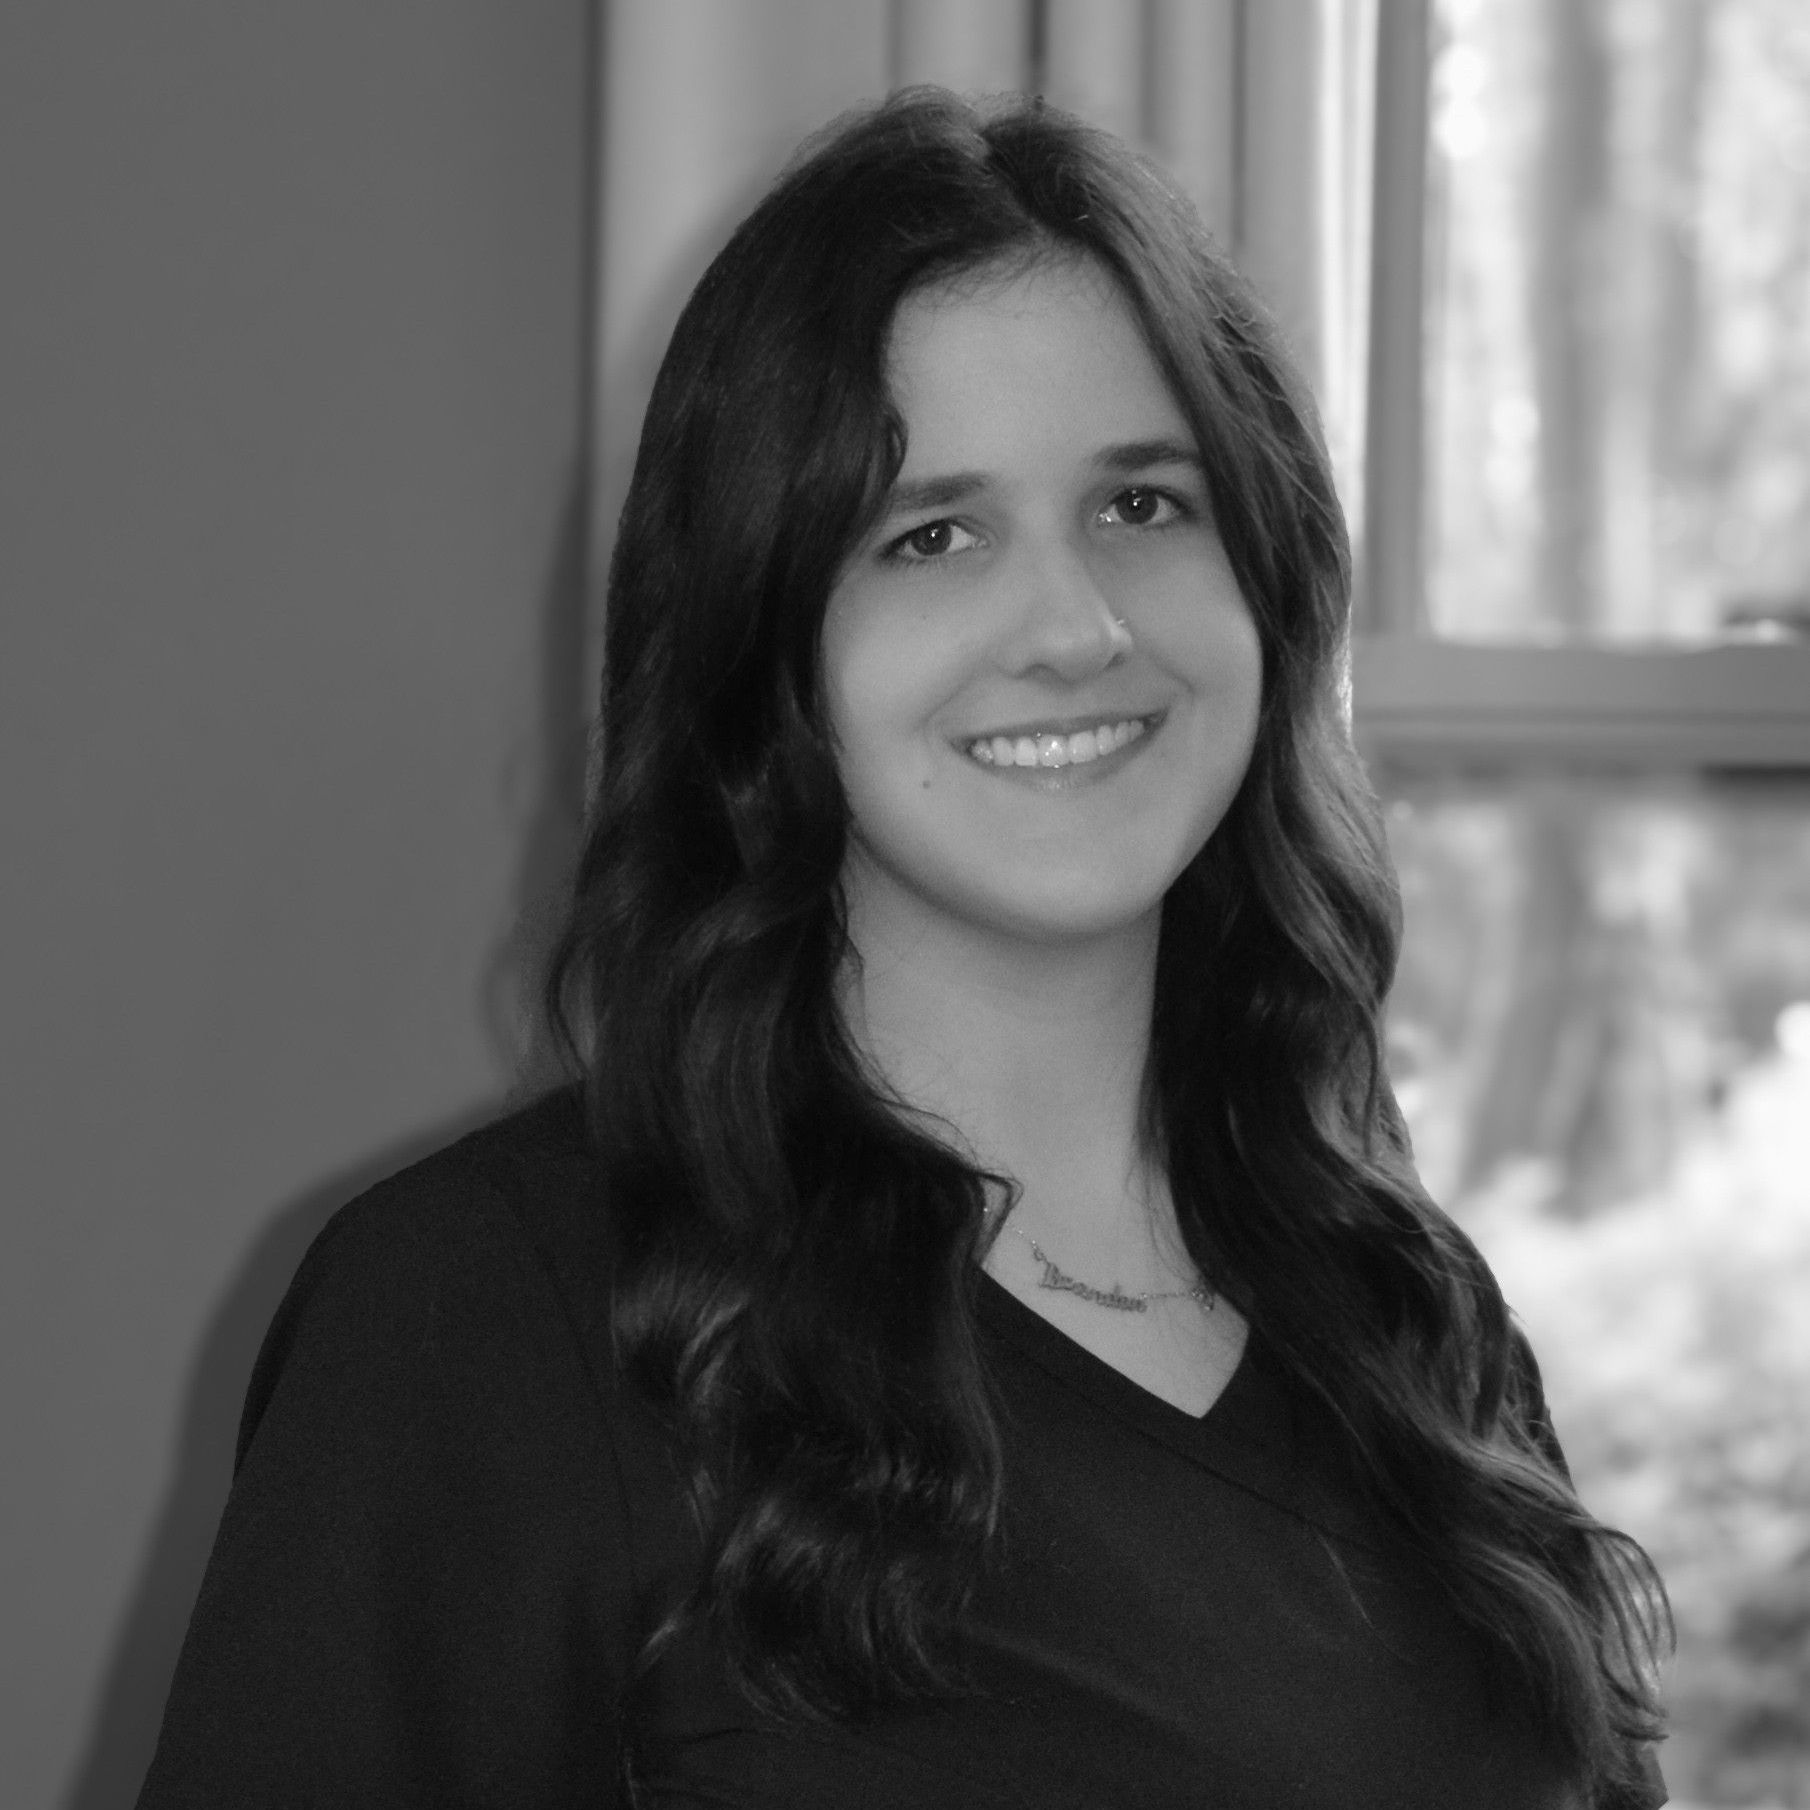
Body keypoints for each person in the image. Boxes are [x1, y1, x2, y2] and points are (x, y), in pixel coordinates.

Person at [135, 87, 1673, 1808]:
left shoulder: (1403, 1305)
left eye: (1143, 504)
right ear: (762, 647)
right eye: (930, 535)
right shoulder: (490, 1314)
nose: (1075, 626)